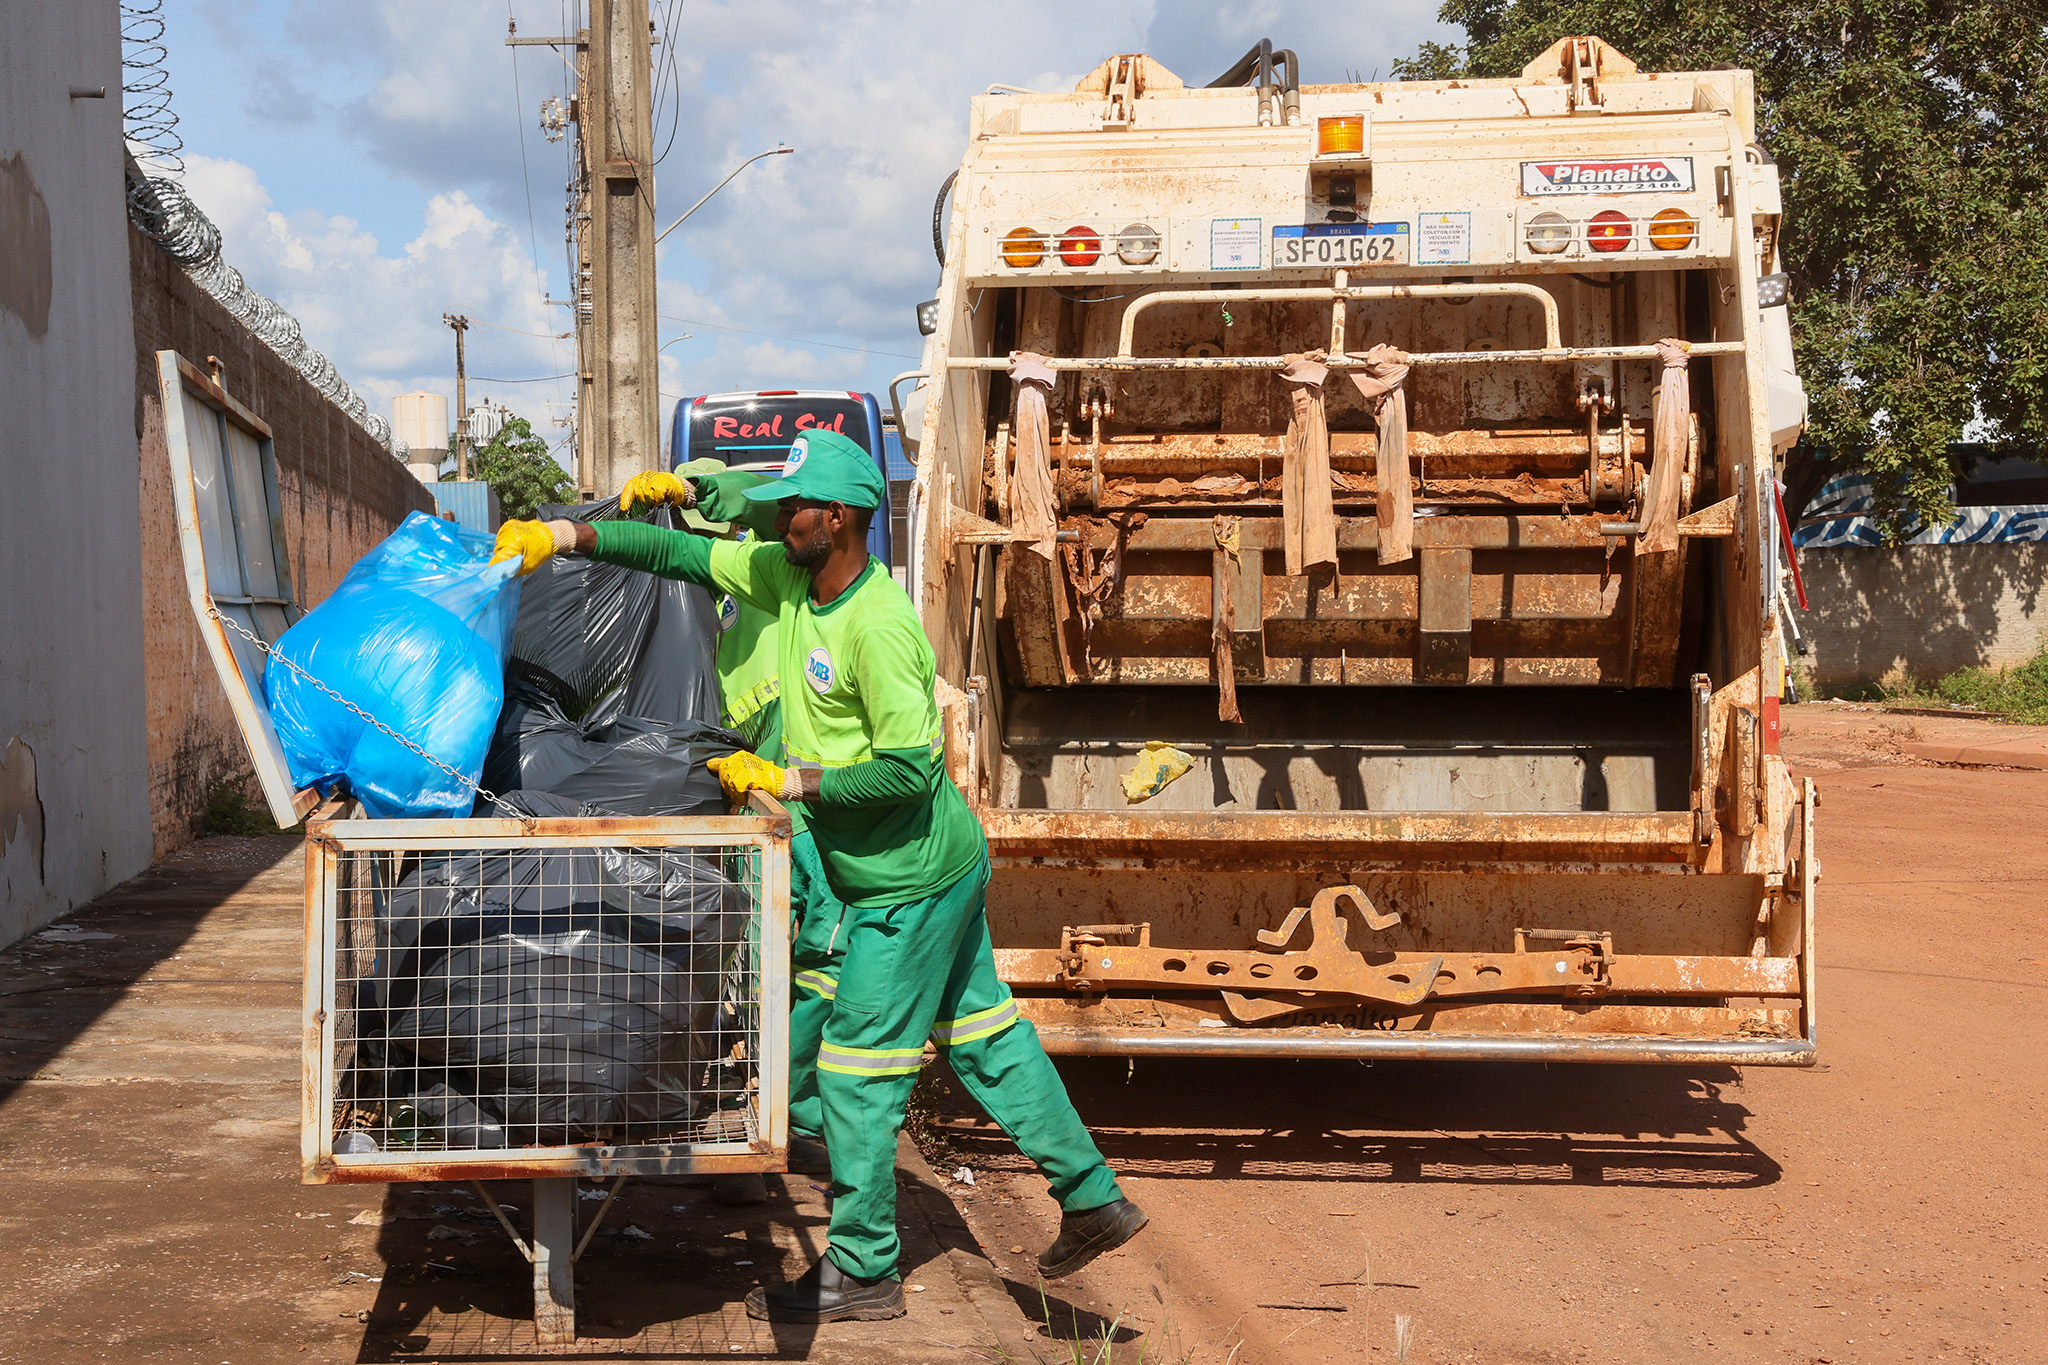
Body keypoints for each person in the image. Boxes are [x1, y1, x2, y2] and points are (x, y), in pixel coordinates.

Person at [490, 429, 1146, 1324]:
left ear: (836, 519)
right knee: (986, 1032)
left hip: (907, 879)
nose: (775, 520)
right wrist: (566, 538)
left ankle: (864, 1269)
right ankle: (1093, 1197)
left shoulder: (878, 627)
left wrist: (786, 780)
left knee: (855, 1070)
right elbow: (678, 552)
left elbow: (911, 769)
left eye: (790, 508)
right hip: (929, 867)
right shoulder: (788, 580)